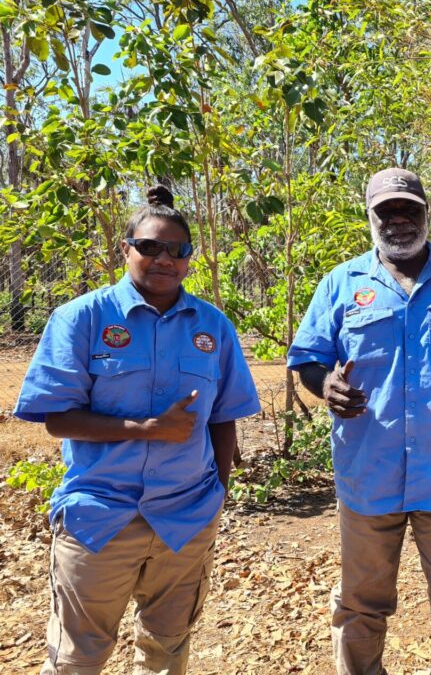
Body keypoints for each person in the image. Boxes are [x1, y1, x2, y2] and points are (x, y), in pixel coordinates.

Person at [15, 185, 261, 675]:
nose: (164, 258)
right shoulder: (81, 318)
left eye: (178, 249)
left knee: (167, 652)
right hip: (100, 519)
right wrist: (145, 428)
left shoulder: (213, 326)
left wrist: (217, 496)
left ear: (190, 258)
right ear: (125, 249)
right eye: (150, 247)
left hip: (186, 519)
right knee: (76, 657)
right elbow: (57, 418)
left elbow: (224, 416)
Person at [287, 168, 431, 675]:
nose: (398, 220)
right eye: (386, 211)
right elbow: (309, 358)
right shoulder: (341, 283)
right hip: (367, 474)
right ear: (370, 217)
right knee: (361, 601)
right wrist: (324, 385)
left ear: (427, 214)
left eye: (409, 210)